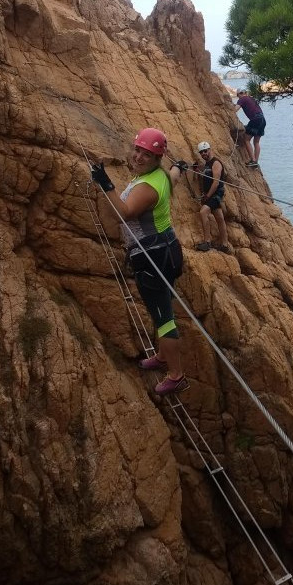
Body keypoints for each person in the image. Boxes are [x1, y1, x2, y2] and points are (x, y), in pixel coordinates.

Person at [90, 127, 190, 395]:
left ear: (157, 158)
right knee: (161, 306)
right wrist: (179, 168)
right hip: (165, 250)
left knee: (163, 317)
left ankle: (176, 375)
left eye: (146, 154)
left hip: (152, 256)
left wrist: (105, 183)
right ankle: (162, 355)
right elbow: (174, 177)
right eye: (137, 150)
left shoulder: (148, 186)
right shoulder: (160, 176)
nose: (138, 157)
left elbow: (124, 212)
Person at [194, 141, 230, 253]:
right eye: (201, 152)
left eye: (205, 151)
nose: (203, 153)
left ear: (209, 150)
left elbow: (215, 182)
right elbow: (207, 175)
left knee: (203, 212)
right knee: (219, 218)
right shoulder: (208, 164)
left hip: (215, 194)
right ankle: (225, 245)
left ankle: (207, 242)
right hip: (212, 194)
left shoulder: (216, 163)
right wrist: (197, 170)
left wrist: (207, 196)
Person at [235, 89, 265, 168]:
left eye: (238, 95)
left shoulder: (242, 99)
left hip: (255, 120)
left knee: (246, 139)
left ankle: (253, 160)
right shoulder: (251, 98)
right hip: (262, 120)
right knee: (256, 142)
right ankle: (256, 162)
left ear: (239, 94)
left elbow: (235, 109)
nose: (239, 97)